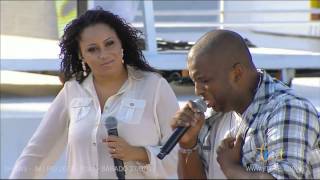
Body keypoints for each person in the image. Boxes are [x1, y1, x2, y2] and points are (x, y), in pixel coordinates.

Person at [10, 8, 179, 179]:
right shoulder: (72, 90)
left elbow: (178, 157)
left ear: (122, 43)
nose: (103, 54)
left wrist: (138, 153)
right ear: (81, 55)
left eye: (109, 43)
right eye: (92, 49)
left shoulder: (154, 86)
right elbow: (36, 155)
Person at [171, 29, 320, 179]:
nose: (197, 91)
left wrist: (231, 169)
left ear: (237, 73)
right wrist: (188, 145)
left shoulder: (287, 109)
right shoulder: (213, 115)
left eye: (204, 81)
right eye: (194, 82)